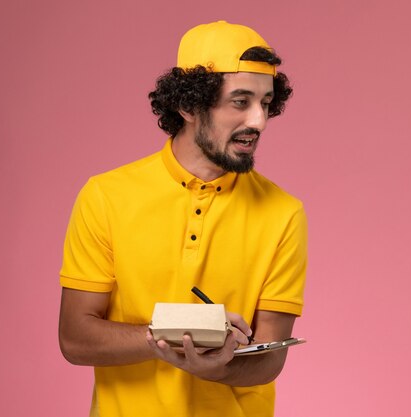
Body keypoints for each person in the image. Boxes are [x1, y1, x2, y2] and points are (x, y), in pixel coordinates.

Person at [58, 20, 307, 417]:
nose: (258, 121)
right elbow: (75, 337)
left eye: (265, 102)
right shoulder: (106, 196)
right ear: (188, 105)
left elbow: (270, 360)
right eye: (240, 101)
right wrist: (174, 335)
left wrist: (216, 364)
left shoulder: (283, 212)